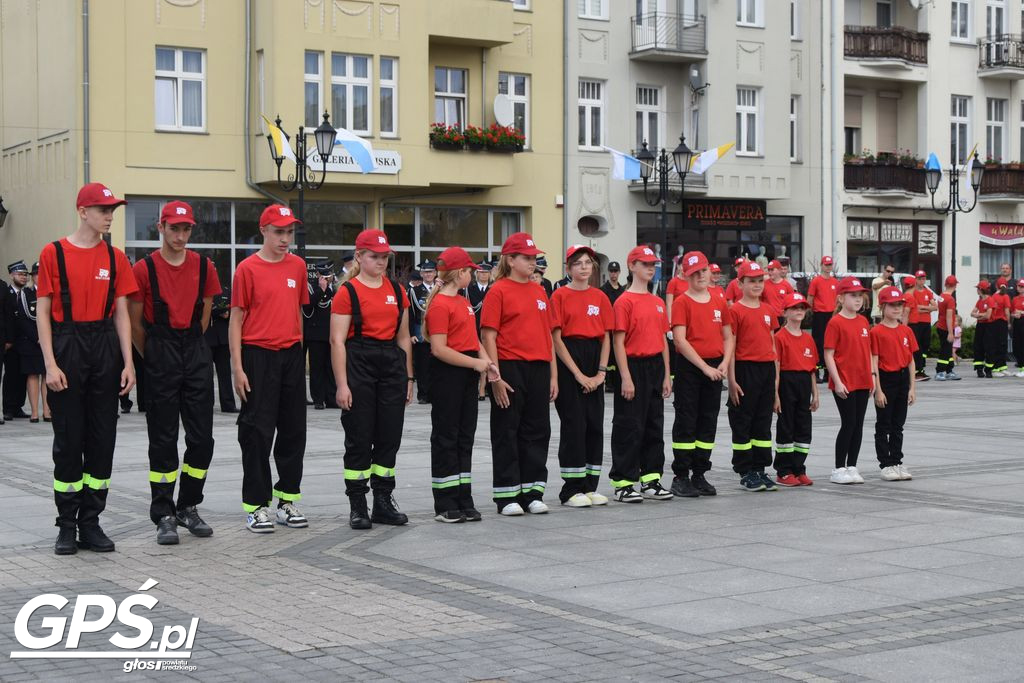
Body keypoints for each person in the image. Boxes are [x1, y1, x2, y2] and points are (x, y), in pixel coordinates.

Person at [36, 182, 138, 555]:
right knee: (68, 441)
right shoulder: (53, 253)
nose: (109, 215)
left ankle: (90, 522)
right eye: (102, 209)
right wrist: (49, 363)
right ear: (83, 212)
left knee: (101, 439)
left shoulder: (116, 258)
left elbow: (122, 314)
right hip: (67, 345)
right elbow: (43, 313)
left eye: (112, 209)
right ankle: (66, 525)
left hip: (104, 347)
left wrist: (128, 362)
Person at [129, 200, 221, 545]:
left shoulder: (204, 266)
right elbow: (137, 325)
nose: (180, 236)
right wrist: (153, 357)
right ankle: (164, 513)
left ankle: (188, 505)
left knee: (202, 439)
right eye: (174, 229)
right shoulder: (143, 270)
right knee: (163, 440)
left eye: (186, 229)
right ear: (160, 229)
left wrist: (189, 348)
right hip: (160, 353)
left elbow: (205, 316)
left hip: (194, 351)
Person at [230, 204, 310, 533]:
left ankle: (287, 501)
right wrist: (237, 367)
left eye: (289, 232)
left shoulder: (298, 267)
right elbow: (236, 320)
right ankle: (256, 506)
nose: (285, 238)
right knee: (257, 433)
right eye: (279, 232)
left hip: (290, 354)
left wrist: (300, 359)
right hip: (257, 355)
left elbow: (297, 314)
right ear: (263, 231)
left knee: (293, 431)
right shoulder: (247, 269)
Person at [331, 229, 414, 530]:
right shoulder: (347, 292)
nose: (380, 262)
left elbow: (404, 337)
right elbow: (337, 341)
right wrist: (342, 384)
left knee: (389, 436)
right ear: (359, 257)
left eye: (384, 257)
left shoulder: (396, 289)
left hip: (391, 363)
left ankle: (383, 501)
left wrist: (408, 377)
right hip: (359, 360)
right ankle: (358, 504)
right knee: (359, 436)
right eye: (374, 256)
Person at [480, 232, 556, 515]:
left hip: (538, 366)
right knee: (507, 430)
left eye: (534, 257)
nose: (532, 262)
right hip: (509, 365)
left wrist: (552, 376)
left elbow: (547, 335)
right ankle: (507, 494)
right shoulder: (498, 290)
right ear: (510, 260)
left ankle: (532, 491)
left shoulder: (540, 291)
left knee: (537, 431)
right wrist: (495, 377)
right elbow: (489, 336)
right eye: (526, 257)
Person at [424, 247, 498, 523]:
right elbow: (440, 349)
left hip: (467, 370)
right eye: (469, 270)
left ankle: (463, 496)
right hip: (448, 373)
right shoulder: (440, 304)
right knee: (446, 437)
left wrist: (487, 362)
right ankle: (445, 502)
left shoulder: (464, 302)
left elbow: (473, 339)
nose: (473, 273)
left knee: (464, 436)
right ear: (459, 273)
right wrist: (475, 364)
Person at [609, 245, 673, 503]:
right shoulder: (624, 301)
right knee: (628, 425)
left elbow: (662, 340)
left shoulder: (658, 303)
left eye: (653, 264)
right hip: (633, 366)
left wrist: (667, 375)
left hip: (655, 366)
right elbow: (618, 342)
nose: (650, 268)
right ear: (632, 266)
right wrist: (625, 377)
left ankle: (651, 478)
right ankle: (623, 481)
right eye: (645, 264)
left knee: (653, 424)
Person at [550, 245, 613, 508]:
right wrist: (577, 374)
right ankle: (571, 488)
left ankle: (590, 485)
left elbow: (606, 336)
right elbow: (556, 338)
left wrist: (600, 373)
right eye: (578, 263)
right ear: (568, 269)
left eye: (588, 262)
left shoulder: (600, 297)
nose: (584, 267)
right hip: (569, 360)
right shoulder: (559, 296)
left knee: (594, 425)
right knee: (574, 424)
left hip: (594, 357)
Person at [669, 251, 733, 498]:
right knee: (687, 420)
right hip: (690, 368)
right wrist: (704, 367)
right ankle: (681, 475)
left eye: (703, 271)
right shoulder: (682, 302)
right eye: (694, 272)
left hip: (715, 367)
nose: (700, 276)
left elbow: (728, 336)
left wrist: (724, 363)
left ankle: (699, 472)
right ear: (686, 275)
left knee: (708, 421)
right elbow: (681, 342)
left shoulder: (718, 300)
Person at [727, 261, 779, 492]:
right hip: (744, 369)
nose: (757, 285)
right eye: (752, 281)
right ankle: (745, 470)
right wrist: (731, 380)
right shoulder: (735, 310)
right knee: (743, 421)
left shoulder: (768, 310)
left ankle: (760, 467)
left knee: (763, 422)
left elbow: (773, 345)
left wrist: (775, 384)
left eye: (760, 281)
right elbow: (731, 346)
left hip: (766, 369)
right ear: (740, 283)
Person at [823, 277, 873, 485]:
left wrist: (872, 378)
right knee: (849, 423)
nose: (858, 299)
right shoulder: (835, 322)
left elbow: (868, 352)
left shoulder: (863, 322)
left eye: (860, 295)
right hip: (844, 382)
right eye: (853, 295)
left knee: (859, 424)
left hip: (862, 381)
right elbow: (828, 355)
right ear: (841, 298)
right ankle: (838, 468)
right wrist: (837, 381)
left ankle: (852, 466)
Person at [870, 286, 917, 482]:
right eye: (892, 305)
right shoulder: (876, 332)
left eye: (899, 305)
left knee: (898, 425)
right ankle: (886, 463)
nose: (897, 309)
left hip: (902, 378)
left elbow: (911, 360)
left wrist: (912, 388)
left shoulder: (906, 330)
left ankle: (897, 461)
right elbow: (874, 361)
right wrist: (878, 390)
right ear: (882, 307)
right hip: (885, 379)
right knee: (884, 424)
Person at [772, 292, 818, 486]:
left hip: (804, 383)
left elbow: (812, 369)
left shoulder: (808, 339)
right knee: (786, 426)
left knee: (804, 427)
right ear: (785, 312)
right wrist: (775, 395)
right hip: (786, 382)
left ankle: (799, 469)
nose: (799, 311)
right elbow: (776, 368)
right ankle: (784, 471)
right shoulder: (779, 337)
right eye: (794, 308)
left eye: (802, 308)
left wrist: (815, 394)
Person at [16, 262, 48, 422]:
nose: (39, 277)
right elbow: (23, 320)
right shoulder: (25, 294)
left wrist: (47, 338)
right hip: (31, 342)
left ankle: (47, 411)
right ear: (32, 277)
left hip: (48, 341)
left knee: (47, 376)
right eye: (36, 274)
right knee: (33, 375)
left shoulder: (51, 293)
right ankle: (35, 412)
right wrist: (38, 338)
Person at [304, 262, 337, 409]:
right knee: (317, 368)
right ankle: (318, 399)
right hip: (316, 334)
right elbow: (307, 306)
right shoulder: (312, 288)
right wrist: (321, 290)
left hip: (331, 333)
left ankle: (331, 398)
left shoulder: (335, 288)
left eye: (328, 274)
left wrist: (328, 289)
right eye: (323, 274)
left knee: (330, 367)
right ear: (317, 275)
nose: (326, 277)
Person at [3, 260, 30, 420]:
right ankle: (8, 407)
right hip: (11, 341)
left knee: (23, 375)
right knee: (11, 375)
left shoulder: (27, 294)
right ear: (12, 275)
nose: (24, 277)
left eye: (26, 275)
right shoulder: (6, 293)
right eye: (20, 274)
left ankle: (18, 406)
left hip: (25, 342)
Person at [205, 288, 238, 412]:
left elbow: (234, 309)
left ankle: (228, 404)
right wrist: (218, 311)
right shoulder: (202, 291)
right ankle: (207, 403)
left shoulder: (226, 292)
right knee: (206, 374)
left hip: (222, 339)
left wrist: (226, 312)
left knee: (225, 373)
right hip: (208, 338)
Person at [409, 260, 437, 404]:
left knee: (435, 365)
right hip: (420, 333)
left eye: (431, 272)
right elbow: (411, 314)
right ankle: (423, 394)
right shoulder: (415, 291)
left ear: (435, 273)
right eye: (426, 272)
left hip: (437, 332)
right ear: (421, 274)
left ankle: (434, 393)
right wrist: (411, 334)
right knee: (422, 365)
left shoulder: (439, 289)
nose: (428, 274)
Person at [807, 256, 838, 384]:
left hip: (832, 315)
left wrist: (837, 312)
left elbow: (838, 298)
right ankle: (819, 370)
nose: (828, 267)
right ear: (821, 265)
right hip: (819, 315)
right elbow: (810, 297)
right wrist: (808, 311)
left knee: (830, 344)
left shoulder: (835, 282)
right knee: (819, 344)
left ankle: (827, 373)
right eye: (826, 265)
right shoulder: (816, 281)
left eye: (830, 265)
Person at [600, 260, 625, 395]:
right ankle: (608, 382)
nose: (613, 274)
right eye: (611, 271)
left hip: (620, 326)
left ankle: (617, 381)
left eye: (615, 271)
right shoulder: (603, 290)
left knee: (617, 355)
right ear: (608, 272)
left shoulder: (622, 291)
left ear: (619, 272)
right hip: (608, 327)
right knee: (608, 356)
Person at [908, 270, 937, 380]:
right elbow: (914, 308)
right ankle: (918, 368)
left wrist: (922, 308)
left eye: (923, 278)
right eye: (919, 279)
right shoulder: (913, 292)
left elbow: (935, 307)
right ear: (916, 279)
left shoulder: (928, 292)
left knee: (925, 344)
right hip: (916, 322)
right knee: (917, 346)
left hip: (926, 322)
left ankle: (921, 365)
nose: (921, 281)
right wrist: (926, 308)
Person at [934, 275, 961, 381]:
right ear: (955, 286)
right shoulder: (950, 299)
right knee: (945, 351)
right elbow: (949, 316)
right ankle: (940, 371)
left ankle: (949, 370)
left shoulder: (941, 296)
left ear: (945, 284)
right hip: (946, 328)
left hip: (941, 326)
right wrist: (950, 332)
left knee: (948, 350)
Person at [987, 277, 1012, 377]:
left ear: (996, 285)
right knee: (1002, 345)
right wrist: (1009, 322)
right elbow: (1007, 311)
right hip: (1002, 322)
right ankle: (998, 368)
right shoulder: (1005, 296)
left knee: (996, 344)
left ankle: (1000, 367)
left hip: (993, 323)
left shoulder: (993, 296)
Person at [971, 281, 993, 378]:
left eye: (978, 288)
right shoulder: (979, 301)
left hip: (988, 327)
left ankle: (988, 370)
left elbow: (988, 316)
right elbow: (972, 313)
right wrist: (981, 316)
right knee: (978, 347)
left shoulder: (990, 300)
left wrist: (978, 315)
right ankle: (979, 369)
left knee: (988, 347)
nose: (977, 290)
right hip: (980, 326)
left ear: (981, 290)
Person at [762, 259, 793, 325]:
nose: (770, 272)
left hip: (781, 317)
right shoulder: (764, 284)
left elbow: (791, 302)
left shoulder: (786, 285)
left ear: (779, 270)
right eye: (769, 270)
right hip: (767, 317)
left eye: (772, 270)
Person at [466, 261, 492, 330]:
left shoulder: (493, 290)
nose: (484, 274)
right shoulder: (468, 289)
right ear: (476, 274)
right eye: (481, 272)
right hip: (472, 325)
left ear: (490, 274)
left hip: (489, 325)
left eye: (486, 272)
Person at [1013, 279, 1024, 377]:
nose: (1019, 288)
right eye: (1018, 286)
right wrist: (1014, 315)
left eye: (1022, 286)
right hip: (1017, 322)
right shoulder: (1015, 299)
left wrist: (1021, 313)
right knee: (1017, 346)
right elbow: (1012, 311)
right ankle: (1021, 367)